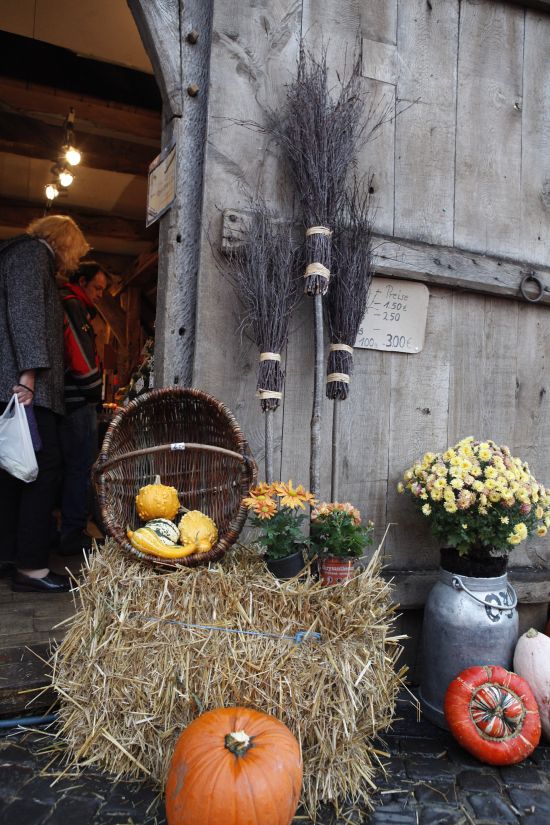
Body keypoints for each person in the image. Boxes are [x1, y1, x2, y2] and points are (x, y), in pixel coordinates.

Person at [0, 215, 90, 592]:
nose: (74, 261)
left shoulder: (16, 254)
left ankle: (8, 555)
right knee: (42, 470)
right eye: (77, 252)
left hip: (15, 384)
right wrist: (29, 377)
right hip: (26, 389)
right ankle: (32, 568)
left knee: (12, 471)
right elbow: (26, 315)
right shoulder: (33, 254)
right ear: (65, 243)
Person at [58, 262, 109, 555]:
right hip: (78, 400)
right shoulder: (73, 305)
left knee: (75, 469)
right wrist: (94, 390)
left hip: (75, 399)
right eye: (97, 288)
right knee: (80, 469)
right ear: (81, 282)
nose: (100, 294)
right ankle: (73, 534)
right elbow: (78, 353)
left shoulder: (77, 307)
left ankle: (71, 530)